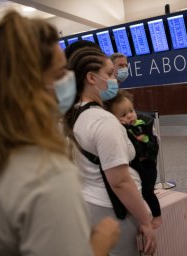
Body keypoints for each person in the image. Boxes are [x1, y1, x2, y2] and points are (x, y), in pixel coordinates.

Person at [0, 11, 119, 256]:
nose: (69, 79)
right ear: (26, 86)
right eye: (60, 73)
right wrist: (101, 241)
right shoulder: (45, 176)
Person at [64, 47, 156, 255]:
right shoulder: (104, 121)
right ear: (91, 78)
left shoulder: (74, 115)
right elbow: (120, 182)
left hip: (90, 205)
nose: (115, 78)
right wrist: (145, 220)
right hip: (115, 212)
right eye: (109, 73)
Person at [105, 89, 162, 229]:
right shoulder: (117, 130)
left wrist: (145, 142)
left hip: (147, 167)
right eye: (123, 115)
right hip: (133, 170)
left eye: (131, 111)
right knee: (136, 193)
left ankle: (157, 215)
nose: (130, 116)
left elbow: (152, 146)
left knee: (148, 192)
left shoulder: (143, 124)